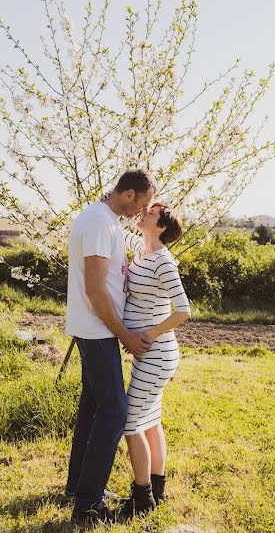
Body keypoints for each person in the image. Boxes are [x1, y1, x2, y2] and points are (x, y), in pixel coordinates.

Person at [65, 169, 156, 524]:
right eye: (143, 203)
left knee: (93, 407)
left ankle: (78, 487)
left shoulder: (104, 219)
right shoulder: (100, 223)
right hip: (97, 331)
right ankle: (88, 505)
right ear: (129, 194)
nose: (142, 211)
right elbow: (95, 290)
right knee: (115, 411)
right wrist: (126, 336)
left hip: (96, 329)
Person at [119, 203, 191, 518]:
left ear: (160, 226)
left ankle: (142, 498)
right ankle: (157, 489)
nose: (143, 212)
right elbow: (117, 227)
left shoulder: (163, 262)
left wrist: (146, 335)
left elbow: (183, 311)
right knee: (150, 421)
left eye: (151, 212)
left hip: (156, 354)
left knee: (130, 423)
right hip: (151, 355)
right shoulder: (141, 248)